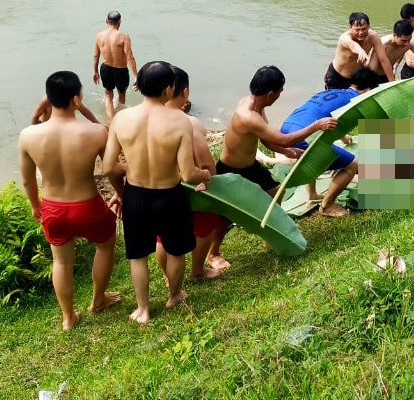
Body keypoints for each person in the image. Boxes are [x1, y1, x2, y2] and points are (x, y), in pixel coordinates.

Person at [102, 61, 211, 325]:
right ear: (168, 89)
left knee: (138, 255)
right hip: (169, 196)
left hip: (136, 195)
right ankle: (174, 295)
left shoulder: (121, 119)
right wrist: (205, 175)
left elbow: (108, 166)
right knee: (176, 251)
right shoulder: (180, 121)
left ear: (138, 87)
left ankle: (143, 309)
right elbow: (187, 173)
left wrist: (122, 191)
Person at [18, 71, 121, 331]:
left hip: (53, 207)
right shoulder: (96, 133)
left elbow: (29, 181)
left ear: (48, 100)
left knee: (61, 262)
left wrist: (34, 206)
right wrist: (120, 194)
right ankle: (98, 300)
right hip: (88, 205)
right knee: (106, 246)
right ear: (77, 99)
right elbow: (112, 168)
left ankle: (68, 317)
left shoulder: (28, 136)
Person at [206, 67, 338, 262]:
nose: (279, 96)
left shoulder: (256, 106)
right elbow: (284, 139)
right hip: (231, 169)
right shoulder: (248, 115)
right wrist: (315, 126)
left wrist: (285, 152)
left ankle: (270, 231)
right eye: (279, 92)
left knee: (277, 191)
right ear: (270, 94)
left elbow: (265, 137)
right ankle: (213, 254)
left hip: (250, 166)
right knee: (226, 214)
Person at [279, 68, 385, 217]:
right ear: (369, 89)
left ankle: (312, 195)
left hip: (286, 128)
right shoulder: (355, 101)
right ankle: (327, 206)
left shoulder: (334, 92)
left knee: (312, 157)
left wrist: (344, 138)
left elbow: (333, 119)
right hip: (303, 135)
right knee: (352, 165)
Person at [156, 65, 227, 279]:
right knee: (205, 226)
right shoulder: (191, 123)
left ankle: (169, 277)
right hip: (192, 184)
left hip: (162, 187)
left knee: (163, 237)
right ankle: (197, 270)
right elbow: (205, 162)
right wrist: (209, 178)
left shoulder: (147, 121)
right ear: (185, 93)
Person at [324, 13, 393, 90]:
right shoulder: (345, 38)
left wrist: (392, 82)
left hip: (356, 79)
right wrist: (360, 51)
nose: (361, 33)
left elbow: (383, 59)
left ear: (369, 26)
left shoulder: (373, 37)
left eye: (364, 29)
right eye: (357, 30)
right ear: (350, 28)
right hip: (337, 77)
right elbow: (352, 45)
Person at [93, 10, 138, 121]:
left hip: (105, 68)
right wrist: (136, 77)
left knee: (108, 95)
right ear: (119, 22)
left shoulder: (99, 36)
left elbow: (96, 55)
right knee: (121, 94)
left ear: (106, 21)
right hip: (121, 70)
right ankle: (119, 118)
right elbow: (130, 57)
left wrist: (95, 71)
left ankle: (111, 120)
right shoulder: (124, 37)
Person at [31, 94, 99, 125]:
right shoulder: (47, 99)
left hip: (61, 126)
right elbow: (35, 117)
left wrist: (97, 123)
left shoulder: (70, 98)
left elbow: (84, 110)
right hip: (44, 125)